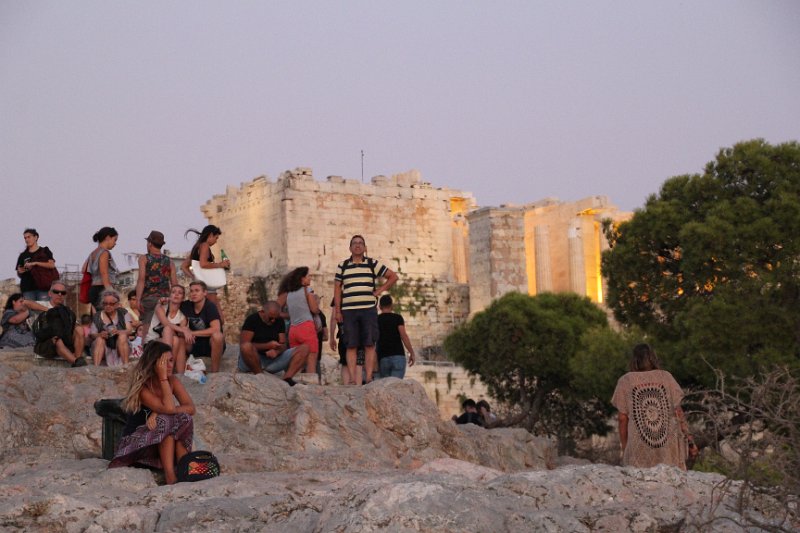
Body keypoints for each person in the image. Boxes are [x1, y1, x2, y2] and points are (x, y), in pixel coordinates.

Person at [109, 341, 194, 485]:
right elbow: (168, 409)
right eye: (165, 362)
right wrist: (162, 379)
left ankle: (183, 469)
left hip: (159, 443)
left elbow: (191, 408)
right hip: (137, 445)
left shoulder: (173, 381)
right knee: (167, 421)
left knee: (183, 418)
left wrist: (157, 413)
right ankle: (170, 476)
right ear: (155, 363)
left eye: (171, 361)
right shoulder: (143, 387)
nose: (170, 365)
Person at [611, 343, 699, 470]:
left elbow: (622, 419)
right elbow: (678, 412)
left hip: (638, 446)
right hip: (668, 444)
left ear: (634, 360)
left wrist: (625, 447)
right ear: (653, 358)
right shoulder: (666, 377)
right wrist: (691, 442)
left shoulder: (626, 381)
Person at [333, 235, 398, 385]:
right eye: (354, 243)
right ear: (350, 248)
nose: (357, 245)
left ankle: (368, 378)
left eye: (361, 243)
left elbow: (393, 276)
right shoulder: (342, 266)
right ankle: (351, 379)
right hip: (348, 310)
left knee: (369, 343)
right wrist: (338, 311)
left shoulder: (371, 264)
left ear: (364, 247)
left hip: (368, 309)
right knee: (351, 344)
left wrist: (379, 291)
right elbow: (337, 289)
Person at [237, 301, 310, 385]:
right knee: (246, 347)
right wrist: (267, 346)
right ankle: (260, 375)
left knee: (305, 348)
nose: (273, 320)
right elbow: (244, 344)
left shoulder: (279, 321)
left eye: (275, 318)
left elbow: (283, 344)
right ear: (263, 311)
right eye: (270, 318)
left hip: (272, 362)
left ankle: (287, 378)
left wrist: (277, 351)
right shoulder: (252, 320)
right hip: (253, 361)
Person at [30, 281, 86, 366]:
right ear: (50, 293)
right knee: (57, 339)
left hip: (65, 342)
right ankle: (76, 363)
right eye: (56, 292)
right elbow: (25, 303)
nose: (60, 294)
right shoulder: (43, 304)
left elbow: (76, 327)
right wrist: (48, 310)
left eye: (63, 293)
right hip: (45, 344)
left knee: (79, 330)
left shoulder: (67, 310)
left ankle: (78, 359)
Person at [181, 225, 229, 326]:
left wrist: (195, 278)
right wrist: (220, 264)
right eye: (216, 238)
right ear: (211, 235)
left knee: (208, 315)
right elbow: (203, 264)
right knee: (218, 318)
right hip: (209, 288)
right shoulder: (205, 245)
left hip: (203, 286)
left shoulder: (197, 247)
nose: (216, 241)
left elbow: (184, 266)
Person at [277, 267, 320, 375]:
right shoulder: (307, 290)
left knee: (297, 360)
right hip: (306, 327)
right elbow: (314, 309)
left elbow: (277, 309)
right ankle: (311, 384)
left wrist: (290, 315)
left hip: (293, 329)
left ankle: (296, 383)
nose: (310, 278)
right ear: (302, 279)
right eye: (308, 276)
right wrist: (317, 308)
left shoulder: (289, 294)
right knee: (311, 358)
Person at [135, 231, 177, 338]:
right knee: (163, 328)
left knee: (147, 328)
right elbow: (174, 284)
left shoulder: (144, 259)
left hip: (149, 299)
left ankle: (146, 350)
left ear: (149, 243)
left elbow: (141, 279)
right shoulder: (169, 261)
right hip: (165, 300)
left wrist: (138, 299)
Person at [177, 281, 224, 373]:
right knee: (179, 337)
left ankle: (215, 373)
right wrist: (165, 300)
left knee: (217, 336)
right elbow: (173, 304)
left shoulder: (210, 306)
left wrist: (191, 332)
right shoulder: (186, 305)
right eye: (191, 291)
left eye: (197, 291)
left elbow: (216, 329)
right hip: (194, 342)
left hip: (210, 344)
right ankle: (180, 372)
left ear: (205, 293)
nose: (193, 293)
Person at [145, 285, 188, 370]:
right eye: (173, 292)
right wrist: (184, 330)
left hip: (171, 343)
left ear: (183, 298)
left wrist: (185, 332)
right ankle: (165, 369)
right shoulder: (160, 307)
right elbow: (166, 323)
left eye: (180, 293)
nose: (176, 294)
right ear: (169, 295)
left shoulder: (182, 317)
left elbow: (180, 335)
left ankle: (176, 372)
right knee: (168, 329)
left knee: (178, 340)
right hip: (152, 343)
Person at [89, 290, 133, 366]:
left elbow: (129, 330)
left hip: (120, 345)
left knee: (122, 336)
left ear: (117, 304)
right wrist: (100, 334)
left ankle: (125, 366)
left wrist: (118, 332)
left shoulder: (123, 313)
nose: (108, 306)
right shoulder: (97, 315)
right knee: (100, 339)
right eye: (105, 304)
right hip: (103, 347)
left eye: (111, 304)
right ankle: (96, 368)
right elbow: (92, 334)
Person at [376, 294, 415, 379]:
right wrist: (411, 352)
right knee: (396, 387)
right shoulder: (397, 318)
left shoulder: (377, 319)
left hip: (383, 357)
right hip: (398, 356)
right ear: (391, 306)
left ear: (379, 306)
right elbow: (403, 336)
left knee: (385, 388)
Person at [16, 228, 58, 302]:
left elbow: (51, 265)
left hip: (43, 286)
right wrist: (21, 271)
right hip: (27, 288)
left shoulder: (45, 251)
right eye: (25, 238)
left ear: (36, 237)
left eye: (29, 237)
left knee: (43, 310)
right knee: (31, 312)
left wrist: (36, 263)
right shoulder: (23, 255)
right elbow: (19, 272)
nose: (27, 240)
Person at [85, 227, 119, 312]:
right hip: (102, 289)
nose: (115, 243)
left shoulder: (93, 253)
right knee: (106, 318)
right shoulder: (104, 253)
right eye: (115, 240)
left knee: (98, 318)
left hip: (93, 288)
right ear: (108, 238)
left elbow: (84, 269)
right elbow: (104, 273)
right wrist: (111, 293)